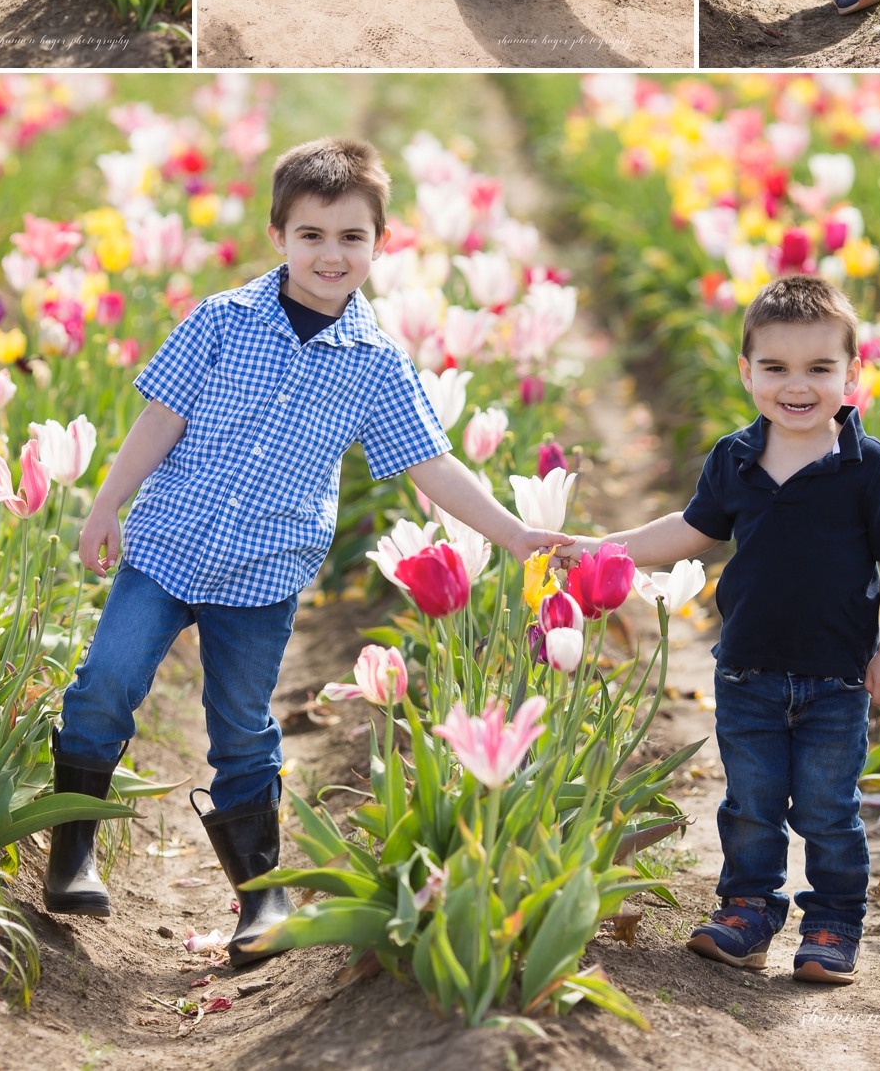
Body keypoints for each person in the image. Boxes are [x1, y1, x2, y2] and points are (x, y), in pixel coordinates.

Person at [44, 137, 571, 966]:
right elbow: (161, 420)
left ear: (380, 243)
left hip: (261, 572)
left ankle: (261, 898)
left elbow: (430, 461)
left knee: (242, 730)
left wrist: (513, 531)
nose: (332, 254)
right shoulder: (220, 321)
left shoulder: (375, 363)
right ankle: (68, 854)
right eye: (313, 236)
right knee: (107, 681)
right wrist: (106, 503)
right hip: (169, 543)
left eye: (351, 238)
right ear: (278, 235)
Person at [557, 274, 880, 985]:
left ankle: (833, 922)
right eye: (776, 368)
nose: (798, 385)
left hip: (837, 678)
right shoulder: (735, 457)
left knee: (828, 808)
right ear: (746, 372)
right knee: (752, 805)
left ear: (853, 374)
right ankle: (749, 910)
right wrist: (607, 547)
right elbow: (690, 531)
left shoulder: (868, 467)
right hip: (748, 672)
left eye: (820, 369)